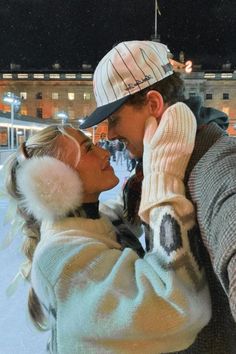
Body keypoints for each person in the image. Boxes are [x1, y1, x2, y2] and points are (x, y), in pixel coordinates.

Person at [80, 40, 236, 353]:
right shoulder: (154, 166)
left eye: (113, 119)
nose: (108, 135)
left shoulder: (216, 167)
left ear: (153, 104)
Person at [2, 123, 211, 353]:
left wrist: (145, 175)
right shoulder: (60, 257)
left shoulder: (95, 219)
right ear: (55, 179)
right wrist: (163, 179)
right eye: (89, 149)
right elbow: (174, 310)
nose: (105, 152)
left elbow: (120, 216)